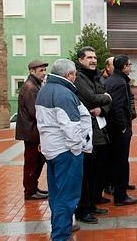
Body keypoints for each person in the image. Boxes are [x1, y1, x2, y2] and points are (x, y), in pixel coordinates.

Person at [36, 59, 92, 241]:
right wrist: (77, 149)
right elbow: (71, 127)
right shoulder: (63, 93)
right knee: (67, 196)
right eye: (74, 73)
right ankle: (60, 235)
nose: (75, 77)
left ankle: (62, 227)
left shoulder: (44, 90)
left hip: (51, 150)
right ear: (68, 75)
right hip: (66, 152)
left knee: (56, 194)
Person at [73, 47, 112, 224]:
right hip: (87, 132)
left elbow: (103, 104)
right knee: (86, 173)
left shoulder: (96, 76)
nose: (93, 60)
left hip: (100, 130)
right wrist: (106, 97)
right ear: (80, 60)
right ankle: (83, 209)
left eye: (95, 57)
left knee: (97, 171)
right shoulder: (79, 77)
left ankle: (92, 203)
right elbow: (89, 98)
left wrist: (103, 107)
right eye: (89, 57)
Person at [105, 54, 137, 206]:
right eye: (129, 64)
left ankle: (119, 190)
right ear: (125, 66)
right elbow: (117, 107)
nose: (131, 66)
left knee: (116, 161)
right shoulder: (119, 82)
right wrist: (123, 127)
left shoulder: (112, 79)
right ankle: (121, 196)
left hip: (113, 129)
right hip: (119, 130)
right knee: (121, 162)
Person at [15, 59, 49, 200]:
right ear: (32, 71)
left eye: (44, 70)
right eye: (41, 70)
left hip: (33, 132)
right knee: (32, 163)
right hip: (31, 133)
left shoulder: (35, 85)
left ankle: (33, 188)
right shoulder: (30, 87)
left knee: (37, 161)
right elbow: (35, 112)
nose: (44, 73)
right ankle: (29, 191)